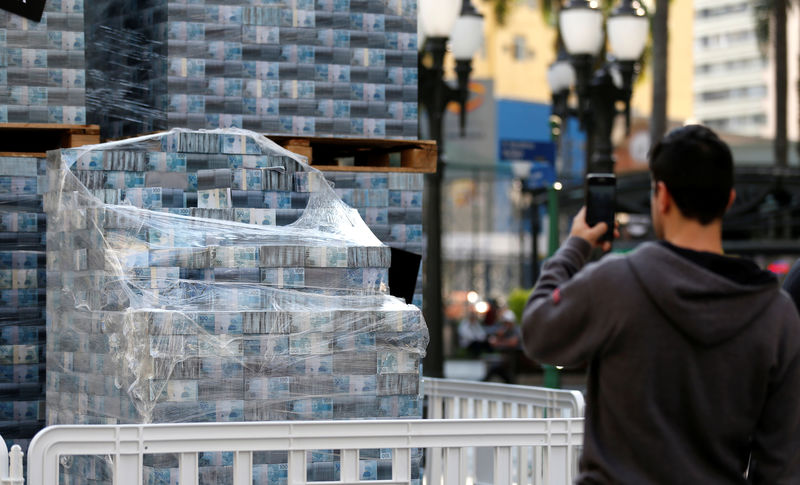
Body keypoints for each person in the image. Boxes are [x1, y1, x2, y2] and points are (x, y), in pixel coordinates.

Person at [521, 125, 800, 484]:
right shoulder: (777, 314)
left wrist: (575, 246)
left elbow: (538, 333)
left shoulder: (617, 283)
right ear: (729, 200)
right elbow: (782, 465)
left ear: (662, 195)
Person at [483, 309, 521, 383]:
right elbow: (493, 342)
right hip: (506, 358)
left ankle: (484, 382)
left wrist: (500, 342)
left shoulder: (516, 330)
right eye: (505, 323)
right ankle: (509, 382)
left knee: (495, 368)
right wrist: (499, 336)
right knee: (496, 368)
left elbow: (513, 343)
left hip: (516, 358)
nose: (506, 325)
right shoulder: (504, 330)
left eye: (507, 323)